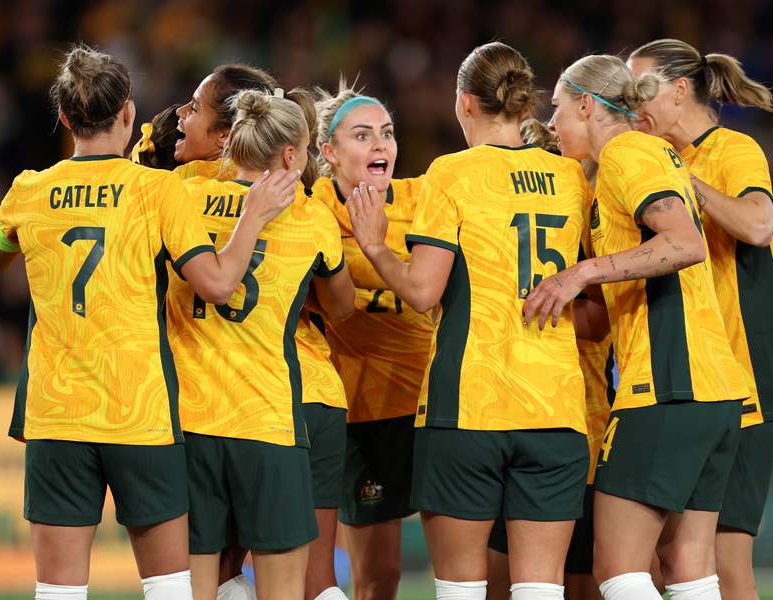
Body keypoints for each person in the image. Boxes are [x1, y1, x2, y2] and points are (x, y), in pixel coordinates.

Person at [0, 46, 298, 600]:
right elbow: (219, 284)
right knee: (170, 588)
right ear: (128, 113)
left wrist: (21, 236)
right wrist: (250, 219)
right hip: (140, 411)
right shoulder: (157, 190)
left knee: (58, 593)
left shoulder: (29, 190)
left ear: (64, 118)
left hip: (57, 414)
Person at [349, 41, 591, 600]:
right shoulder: (570, 179)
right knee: (540, 591)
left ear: (464, 104)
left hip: (468, 408)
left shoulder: (452, 174)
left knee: (462, 591)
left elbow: (422, 290)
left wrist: (376, 246)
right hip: (554, 408)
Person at [523, 53, 751, 600]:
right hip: (712, 391)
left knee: (618, 569)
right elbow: (603, 317)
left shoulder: (627, 152)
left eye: (556, 108)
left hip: (667, 387)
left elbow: (683, 243)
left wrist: (580, 271)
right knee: (687, 564)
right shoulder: (637, 161)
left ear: (585, 104)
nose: (551, 124)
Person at [137, 65, 351, 600]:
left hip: (189, 418)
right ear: (289, 155)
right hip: (268, 419)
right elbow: (341, 307)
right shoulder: (310, 219)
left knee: (196, 587)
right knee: (288, 587)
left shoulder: (180, 189)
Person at [627, 39, 773, 600]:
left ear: (680, 90)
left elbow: (758, 225)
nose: (633, 105)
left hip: (747, 377)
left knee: (723, 563)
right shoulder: (655, 158)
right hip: (699, 383)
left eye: (643, 90)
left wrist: (689, 185)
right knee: (673, 561)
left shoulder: (733, 150)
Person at [311, 79, 434, 600]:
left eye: (386, 133)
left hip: (435, 405)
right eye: (362, 136)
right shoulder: (310, 210)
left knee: (468, 570)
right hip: (362, 410)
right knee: (378, 577)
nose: (380, 145)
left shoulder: (424, 200)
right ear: (328, 153)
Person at [485, 119, 613, 600]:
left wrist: (524, 310)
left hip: (576, 422)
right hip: (519, 416)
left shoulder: (585, 209)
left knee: (583, 581)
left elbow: (599, 321)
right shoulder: (571, 208)